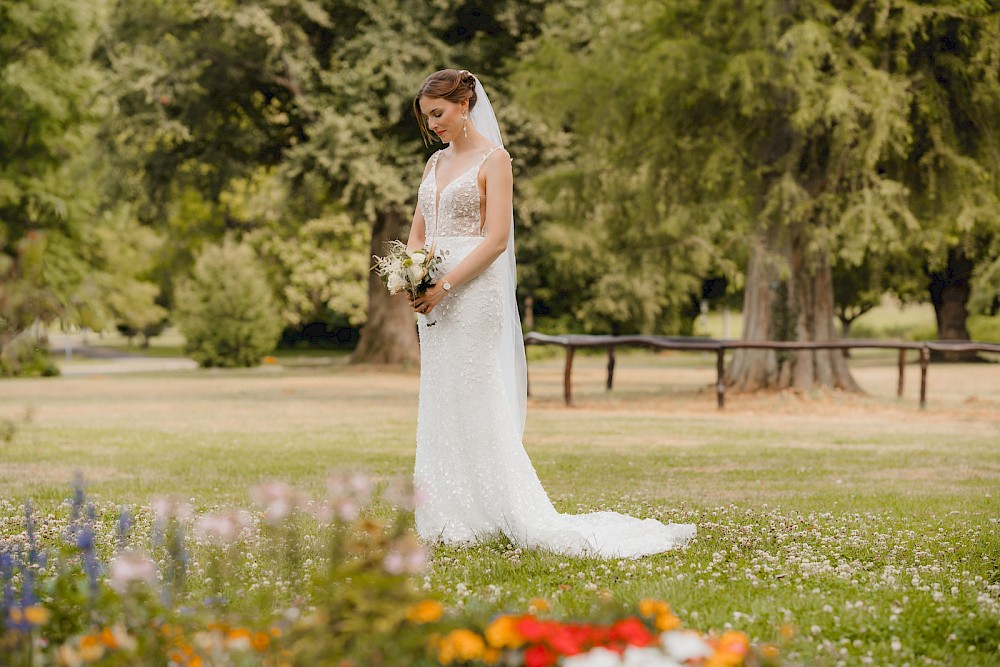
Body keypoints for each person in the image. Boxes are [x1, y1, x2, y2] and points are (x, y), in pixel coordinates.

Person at [406, 69, 695, 558]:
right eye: (426, 117)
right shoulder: (434, 163)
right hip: (431, 298)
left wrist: (447, 285)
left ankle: (501, 507)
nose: (433, 124)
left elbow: (497, 239)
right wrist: (415, 275)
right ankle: (449, 511)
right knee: (441, 396)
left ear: (464, 104)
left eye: (439, 113)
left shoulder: (495, 161)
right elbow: (418, 230)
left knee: (477, 396)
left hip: (472, 296)